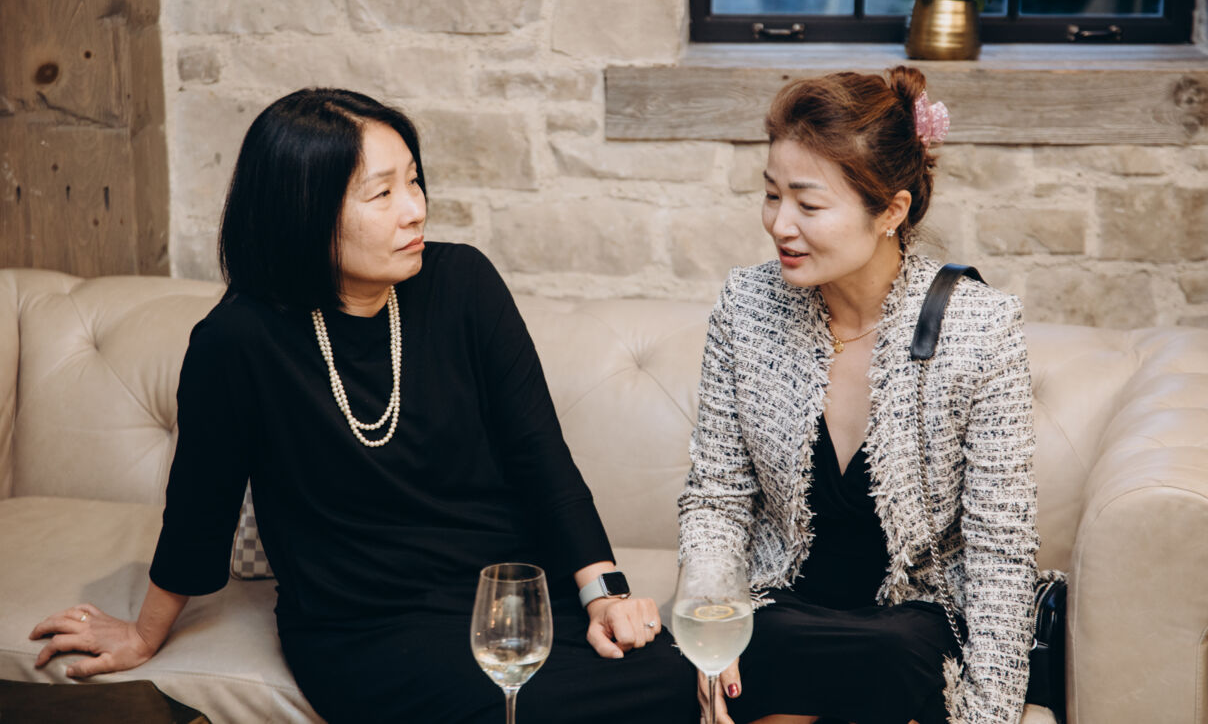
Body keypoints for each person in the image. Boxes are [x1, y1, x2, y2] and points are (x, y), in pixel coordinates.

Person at [29, 88, 696, 724]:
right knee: (530, 710)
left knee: (695, 679)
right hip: (368, 627)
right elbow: (200, 511)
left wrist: (602, 594)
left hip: (510, 597)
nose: (415, 209)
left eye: (414, 181)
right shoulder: (238, 341)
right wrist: (143, 634)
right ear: (304, 210)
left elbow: (540, 458)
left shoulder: (464, 284)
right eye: (382, 193)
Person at [677, 68, 1038, 724]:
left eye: (808, 205)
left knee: (889, 653)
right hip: (783, 613)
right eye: (770, 195)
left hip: (910, 625)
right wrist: (712, 622)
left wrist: (990, 713)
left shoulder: (981, 329)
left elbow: (1000, 552)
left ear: (890, 211)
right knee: (759, 650)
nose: (779, 224)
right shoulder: (745, 307)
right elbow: (716, 498)